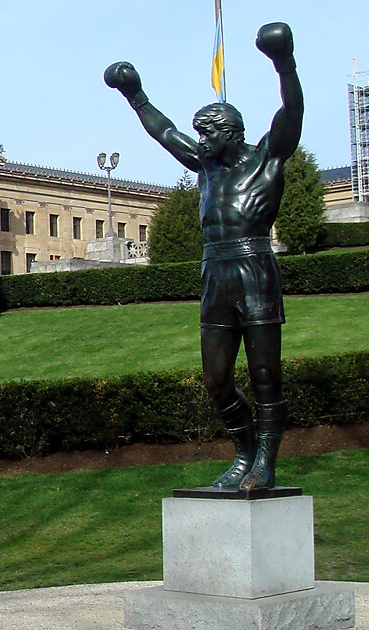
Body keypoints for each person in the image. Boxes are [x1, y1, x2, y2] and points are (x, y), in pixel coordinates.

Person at [104, 22, 302, 491]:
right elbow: (164, 132)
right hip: (215, 273)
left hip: (254, 269)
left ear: (229, 132)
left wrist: (284, 62)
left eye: (207, 133)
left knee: (264, 376)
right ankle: (244, 453)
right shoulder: (205, 166)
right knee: (216, 379)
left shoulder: (267, 159)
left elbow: (291, 110)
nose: (199, 140)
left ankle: (265, 463)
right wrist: (135, 95)